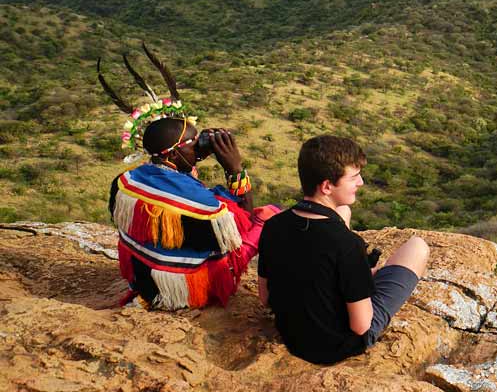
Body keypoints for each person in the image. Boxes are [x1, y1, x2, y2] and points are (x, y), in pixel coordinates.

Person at [100, 46, 279, 309]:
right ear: (173, 155)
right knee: (268, 216)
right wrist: (235, 169)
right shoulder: (201, 205)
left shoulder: (125, 182)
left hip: (141, 277)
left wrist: (192, 161)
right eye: (193, 144)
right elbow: (237, 230)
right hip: (182, 290)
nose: (199, 147)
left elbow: (180, 195)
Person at [258, 136, 429, 364]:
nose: (361, 183)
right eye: (354, 177)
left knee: (343, 212)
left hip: (292, 335)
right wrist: (362, 283)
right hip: (337, 346)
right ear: (327, 186)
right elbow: (361, 326)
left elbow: (265, 298)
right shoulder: (348, 245)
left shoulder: (273, 226)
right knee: (418, 247)